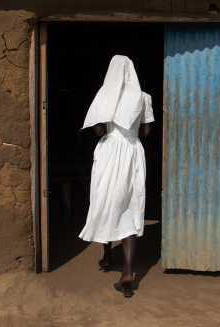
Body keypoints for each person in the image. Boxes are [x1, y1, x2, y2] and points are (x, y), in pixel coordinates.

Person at [78, 55, 154, 298]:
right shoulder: (144, 97)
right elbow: (147, 131)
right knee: (129, 206)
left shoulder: (105, 95)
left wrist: (108, 116)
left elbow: (98, 130)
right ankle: (129, 271)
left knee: (107, 201)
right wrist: (130, 130)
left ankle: (108, 257)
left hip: (110, 152)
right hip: (132, 153)